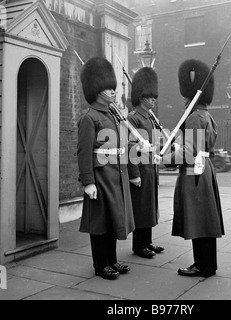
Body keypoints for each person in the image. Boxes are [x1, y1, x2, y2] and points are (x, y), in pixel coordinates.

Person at [156, 59, 224, 278]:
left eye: (185, 95)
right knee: (205, 221)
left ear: (190, 94)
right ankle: (208, 265)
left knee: (198, 221)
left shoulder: (194, 117)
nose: (183, 99)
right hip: (205, 170)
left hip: (194, 172)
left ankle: (202, 265)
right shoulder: (207, 116)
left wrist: (164, 160)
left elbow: (188, 152)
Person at [77, 57, 135, 280]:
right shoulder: (89, 118)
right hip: (100, 177)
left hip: (115, 176)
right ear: (97, 90)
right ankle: (100, 265)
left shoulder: (112, 114)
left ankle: (111, 260)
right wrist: (88, 181)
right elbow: (84, 153)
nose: (113, 91)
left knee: (112, 222)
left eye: (113, 88)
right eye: (108, 88)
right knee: (99, 225)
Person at [127, 67, 165, 258]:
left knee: (150, 206)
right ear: (142, 97)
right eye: (150, 96)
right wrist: (134, 174)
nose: (153, 99)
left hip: (151, 168)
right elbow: (130, 148)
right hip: (141, 170)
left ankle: (147, 241)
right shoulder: (134, 118)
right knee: (141, 208)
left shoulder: (150, 118)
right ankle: (139, 245)